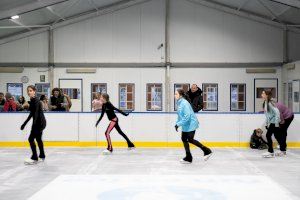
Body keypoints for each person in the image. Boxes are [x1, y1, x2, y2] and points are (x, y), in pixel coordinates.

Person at [175, 89, 212, 164]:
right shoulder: (179, 103)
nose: (174, 95)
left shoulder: (184, 103)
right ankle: (188, 157)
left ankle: (207, 150)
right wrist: (177, 123)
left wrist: (178, 124)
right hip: (186, 124)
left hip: (191, 123)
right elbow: (179, 115)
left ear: (180, 95)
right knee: (184, 139)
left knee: (190, 139)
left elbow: (187, 116)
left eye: (176, 94)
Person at [20, 85, 47, 165]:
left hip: (39, 123)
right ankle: (42, 155)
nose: (29, 92)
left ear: (34, 91)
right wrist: (24, 124)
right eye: (28, 91)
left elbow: (36, 114)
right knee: (38, 139)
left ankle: (35, 157)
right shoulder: (32, 100)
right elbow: (31, 114)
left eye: (31, 90)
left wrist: (34, 125)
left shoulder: (36, 100)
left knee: (30, 139)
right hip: (40, 122)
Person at [261, 90, 282, 158]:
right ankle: (282, 149)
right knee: (276, 135)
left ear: (267, 95)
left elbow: (277, 113)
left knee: (268, 135)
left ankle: (270, 151)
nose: (262, 94)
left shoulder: (270, 103)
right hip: (272, 122)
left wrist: (276, 124)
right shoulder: (265, 102)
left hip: (274, 122)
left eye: (263, 93)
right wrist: (267, 123)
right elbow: (267, 114)